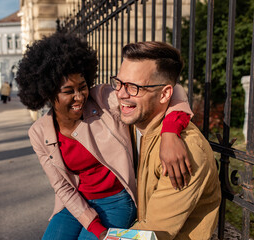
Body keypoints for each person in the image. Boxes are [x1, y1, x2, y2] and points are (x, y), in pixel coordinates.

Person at [15, 33, 192, 240]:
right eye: (68, 91)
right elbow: (62, 186)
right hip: (76, 203)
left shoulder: (103, 99)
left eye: (82, 87)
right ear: (47, 93)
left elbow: (173, 90)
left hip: (116, 201)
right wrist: (96, 228)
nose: (80, 97)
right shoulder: (39, 132)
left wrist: (170, 132)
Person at [111, 41, 221, 239]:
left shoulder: (185, 152)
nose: (120, 94)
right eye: (119, 83)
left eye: (133, 87)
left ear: (164, 94)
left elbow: (151, 232)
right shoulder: (144, 123)